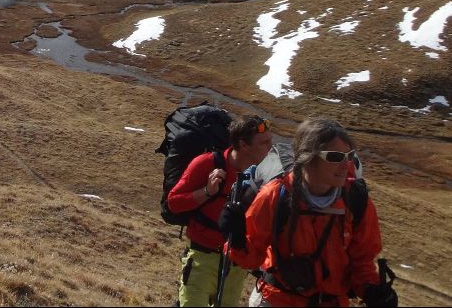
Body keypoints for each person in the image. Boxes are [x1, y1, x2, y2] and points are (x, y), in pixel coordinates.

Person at [230, 118, 394, 307]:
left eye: (349, 156)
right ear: (308, 157)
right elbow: (250, 257)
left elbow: (362, 261)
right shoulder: (275, 196)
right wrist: (237, 239)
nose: (346, 165)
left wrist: (372, 290)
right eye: (334, 157)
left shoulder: (356, 200)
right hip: (278, 300)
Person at [168, 115, 274, 306]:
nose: (270, 147)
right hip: (202, 259)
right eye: (264, 142)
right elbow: (174, 202)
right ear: (244, 145)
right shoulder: (206, 163)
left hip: (236, 267)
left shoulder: (263, 176)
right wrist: (207, 192)